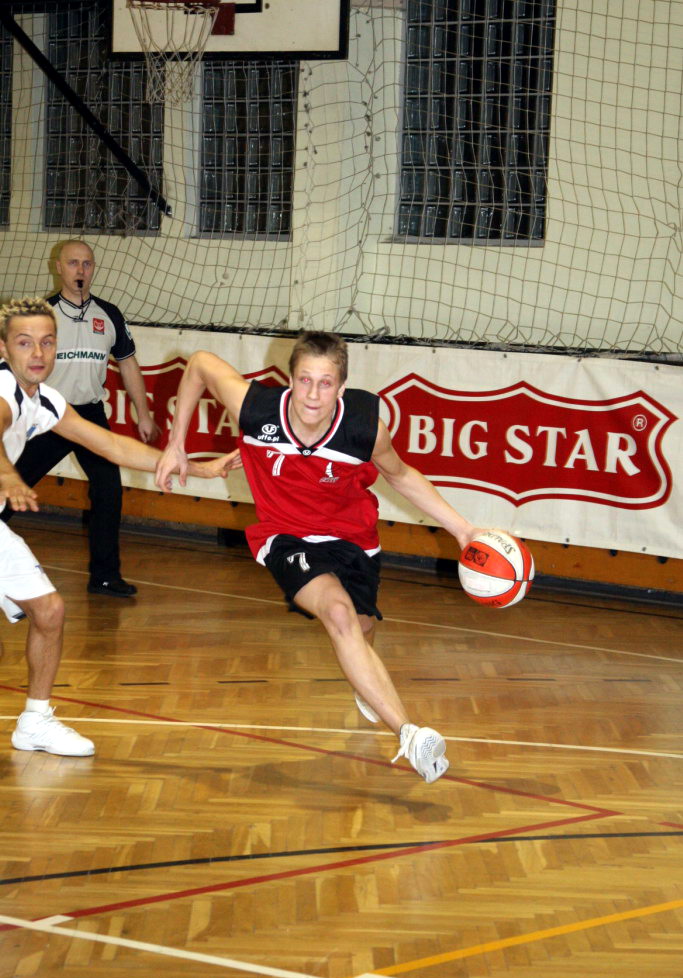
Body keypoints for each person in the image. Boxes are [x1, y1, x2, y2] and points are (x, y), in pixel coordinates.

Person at [156, 331, 482, 784]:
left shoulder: (364, 428)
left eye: (326, 383)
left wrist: (464, 530)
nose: (313, 394)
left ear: (342, 388)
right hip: (285, 535)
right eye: (304, 380)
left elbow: (402, 476)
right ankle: (409, 734)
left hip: (352, 537)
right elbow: (199, 363)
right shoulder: (257, 408)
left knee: (362, 628)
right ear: (289, 378)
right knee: (338, 613)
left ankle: (367, 683)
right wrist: (176, 443)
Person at [0, 297, 233, 757]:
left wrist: (198, 469)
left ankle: (35, 722)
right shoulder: (4, 389)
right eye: (24, 343)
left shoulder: (45, 400)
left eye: (47, 342)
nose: (38, 353)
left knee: (50, 612)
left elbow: (111, 446)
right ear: (4, 350)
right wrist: (7, 474)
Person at [0, 239, 160, 598]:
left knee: (109, 490)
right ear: (59, 267)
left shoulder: (109, 314)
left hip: (87, 414)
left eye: (87, 264)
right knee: (12, 486)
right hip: (47, 415)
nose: (81, 270)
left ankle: (104, 576)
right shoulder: (43, 316)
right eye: (73, 263)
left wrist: (144, 413)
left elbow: (128, 364)